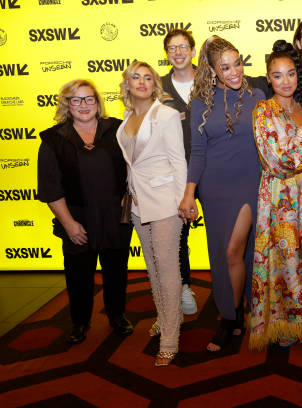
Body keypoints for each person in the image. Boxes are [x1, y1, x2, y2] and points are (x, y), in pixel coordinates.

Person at [249, 40, 302, 370]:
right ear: (268, 79)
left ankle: (291, 319)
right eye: (277, 75)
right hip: (280, 200)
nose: (285, 81)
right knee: (288, 260)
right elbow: (276, 162)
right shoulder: (263, 111)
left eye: (290, 74)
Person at [178, 36, 265, 352]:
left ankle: (232, 316)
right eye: (225, 67)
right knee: (221, 254)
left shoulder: (257, 96)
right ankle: (234, 313)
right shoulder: (200, 103)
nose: (234, 71)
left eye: (237, 63)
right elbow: (198, 152)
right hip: (214, 188)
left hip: (250, 183)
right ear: (213, 71)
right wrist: (189, 194)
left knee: (235, 250)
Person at [38, 79, 134, 345]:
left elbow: (135, 166)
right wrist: (69, 224)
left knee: (116, 271)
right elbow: (50, 188)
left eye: (89, 98)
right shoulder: (53, 139)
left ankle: (117, 315)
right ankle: (79, 322)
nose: (83, 105)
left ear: (98, 102)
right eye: (76, 99)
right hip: (76, 218)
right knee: (78, 275)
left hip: (115, 216)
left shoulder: (117, 129)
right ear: (67, 104)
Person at [116, 61, 187, 366]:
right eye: (136, 77)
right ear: (127, 84)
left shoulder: (166, 115)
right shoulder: (126, 117)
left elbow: (178, 160)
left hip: (165, 202)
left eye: (148, 77)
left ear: (155, 84)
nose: (142, 82)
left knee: (168, 268)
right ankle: (166, 316)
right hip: (137, 202)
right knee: (152, 266)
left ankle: (170, 337)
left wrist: (183, 201)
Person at [161, 28, 198, 316]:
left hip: (213, 168)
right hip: (176, 172)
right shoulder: (158, 88)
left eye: (183, 46)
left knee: (225, 232)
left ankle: (232, 287)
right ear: (167, 54)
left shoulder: (212, 80)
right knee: (178, 234)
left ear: (193, 51)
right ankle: (183, 285)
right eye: (172, 48)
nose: (178, 52)